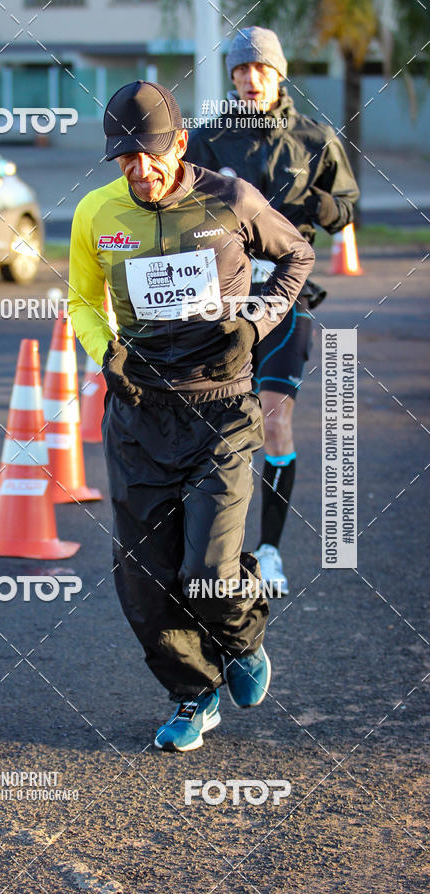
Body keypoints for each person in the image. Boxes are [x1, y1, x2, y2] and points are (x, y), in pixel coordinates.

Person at [68, 80, 314, 751]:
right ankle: (191, 696)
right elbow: (83, 301)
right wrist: (105, 351)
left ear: (178, 144)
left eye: (151, 154)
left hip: (221, 407)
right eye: (125, 159)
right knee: (145, 579)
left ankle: (242, 636)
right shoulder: (96, 213)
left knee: (206, 571)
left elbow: (296, 255)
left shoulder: (229, 199)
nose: (139, 170)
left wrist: (259, 322)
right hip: (139, 411)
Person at [185, 27, 359, 594]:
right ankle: (220, 551)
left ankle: (270, 551)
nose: (251, 79)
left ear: (279, 73)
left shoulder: (315, 138)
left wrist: (321, 203)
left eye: (261, 69)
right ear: (231, 77)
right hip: (221, 300)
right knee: (215, 422)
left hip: (287, 296)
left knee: (276, 418)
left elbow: (346, 209)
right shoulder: (208, 138)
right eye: (241, 71)